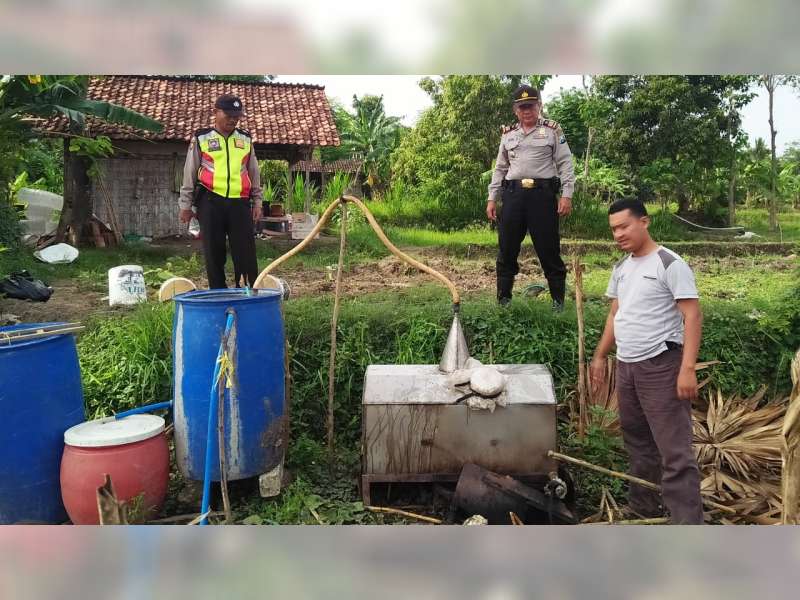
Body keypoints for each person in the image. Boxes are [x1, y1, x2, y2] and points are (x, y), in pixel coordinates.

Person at [590, 198, 704, 525]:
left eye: (624, 226)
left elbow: (692, 315)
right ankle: (644, 508)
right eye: (613, 229)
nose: (618, 234)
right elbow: (616, 314)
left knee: (674, 449)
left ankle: (687, 525)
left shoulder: (669, 263)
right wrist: (600, 356)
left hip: (661, 365)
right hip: (628, 366)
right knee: (638, 441)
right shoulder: (622, 268)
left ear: (645, 221)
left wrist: (687, 368)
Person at [486, 84, 575, 309]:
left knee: (548, 249)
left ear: (539, 106)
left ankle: (558, 303)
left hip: (542, 196)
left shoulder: (553, 130)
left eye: (531, 106)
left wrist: (567, 195)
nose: (527, 111)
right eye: (522, 107)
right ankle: (503, 301)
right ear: (516, 110)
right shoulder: (508, 135)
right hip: (513, 196)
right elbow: (500, 168)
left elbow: (565, 164)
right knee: (507, 249)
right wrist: (492, 197)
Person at [179, 93, 263, 288]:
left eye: (237, 116)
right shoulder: (202, 138)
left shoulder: (245, 140)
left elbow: (254, 172)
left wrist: (257, 201)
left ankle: (246, 292)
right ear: (215, 112)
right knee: (214, 253)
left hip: (239, 204)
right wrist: (186, 205)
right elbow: (189, 172)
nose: (233, 119)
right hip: (210, 202)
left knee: (245, 253)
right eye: (228, 114)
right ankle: (218, 292)